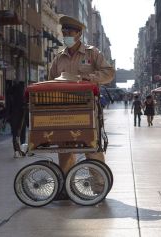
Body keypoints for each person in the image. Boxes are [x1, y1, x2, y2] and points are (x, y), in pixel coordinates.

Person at [49, 15, 115, 182]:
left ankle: (99, 185)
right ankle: (66, 188)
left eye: (69, 31)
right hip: (64, 111)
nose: (65, 35)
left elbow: (109, 73)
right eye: (63, 31)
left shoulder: (93, 53)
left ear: (78, 33)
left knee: (91, 147)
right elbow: (51, 82)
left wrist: (90, 78)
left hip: (87, 109)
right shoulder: (59, 58)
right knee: (64, 150)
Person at [6, 83, 27, 158]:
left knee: (15, 135)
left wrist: (7, 118)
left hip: (13, 118)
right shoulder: (23, 98)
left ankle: (16, 152)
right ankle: (22, 150)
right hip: (22, 119)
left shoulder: (10, 97)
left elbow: (8, 109)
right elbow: (26, 109)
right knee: (22, 135)